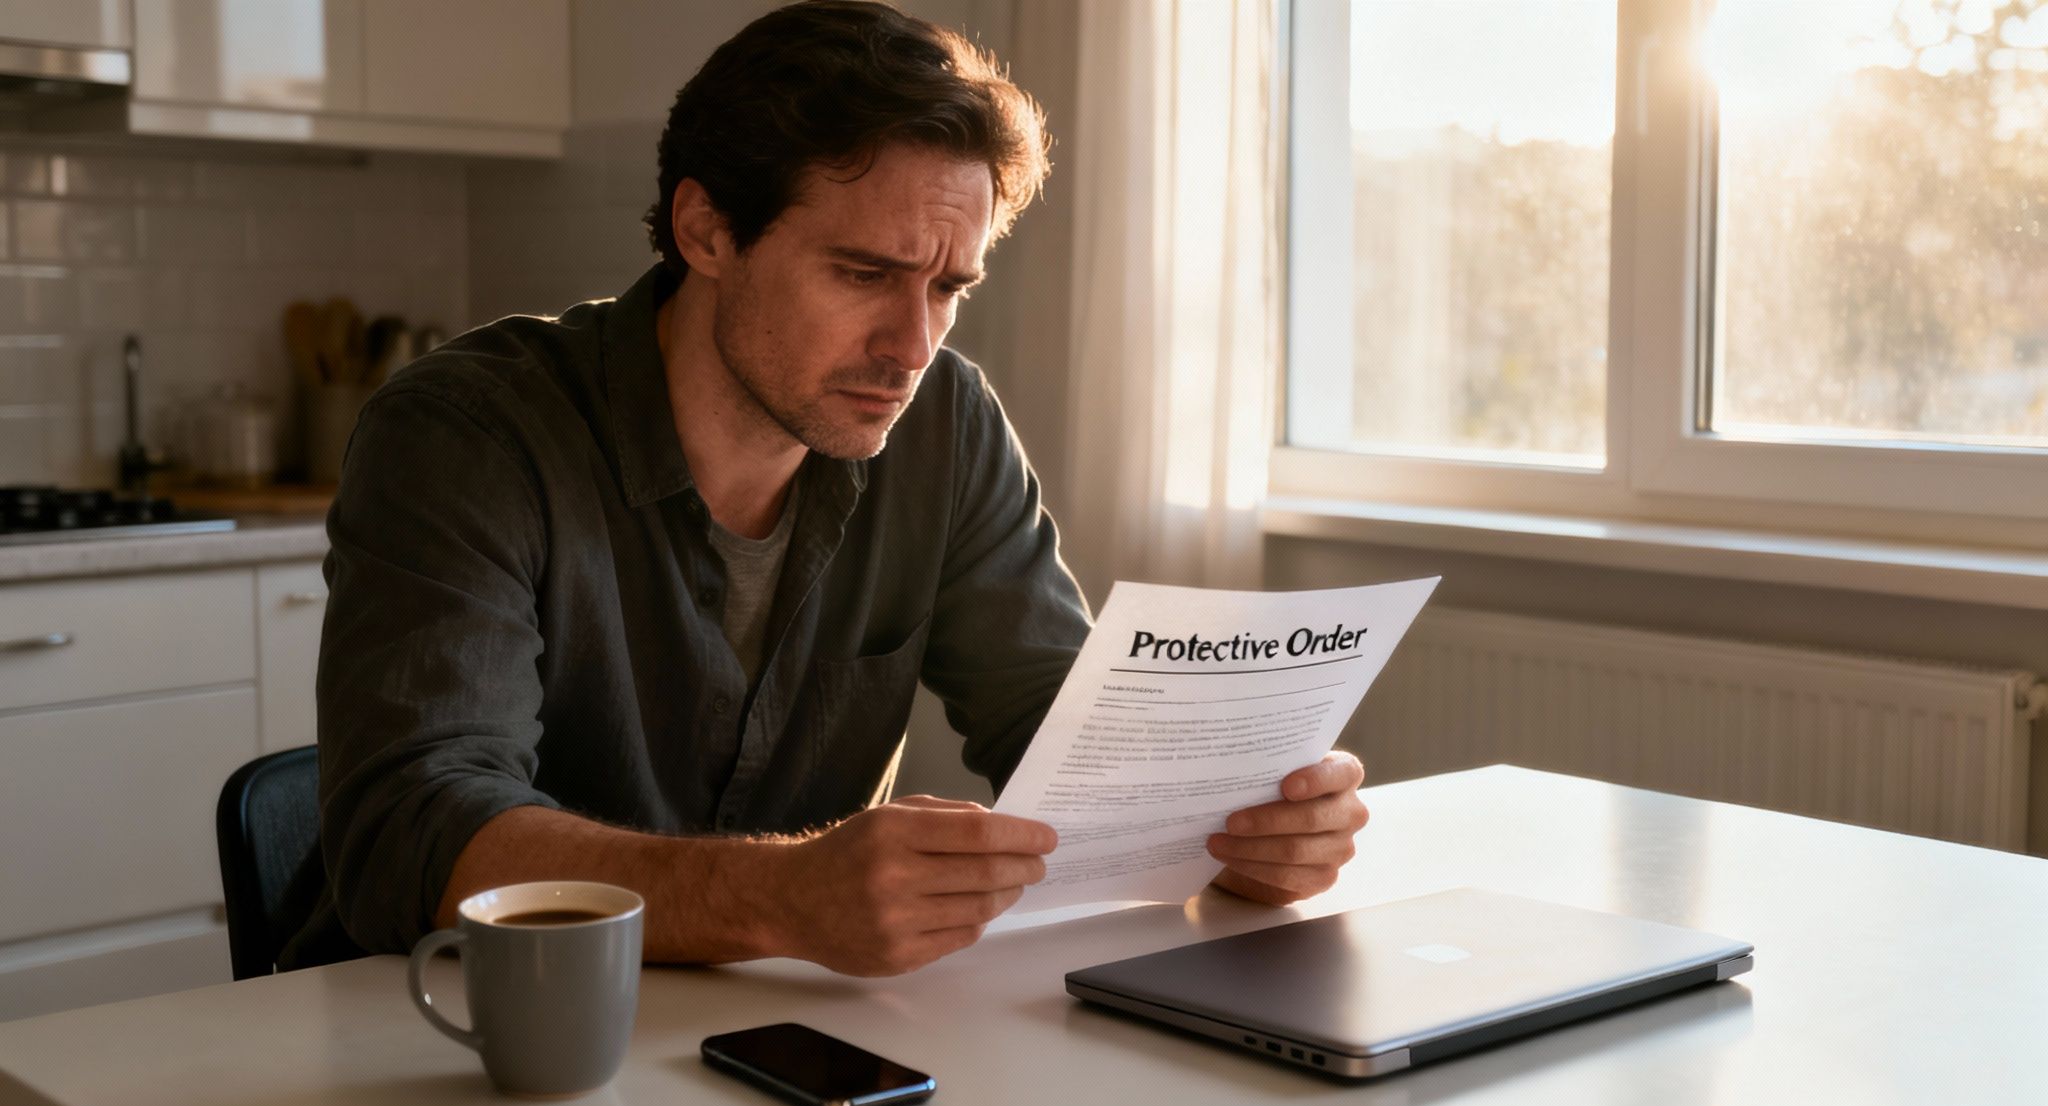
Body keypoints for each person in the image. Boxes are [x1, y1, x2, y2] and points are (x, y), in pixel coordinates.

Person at [281, 0, 1368, 977]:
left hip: (770, 1035)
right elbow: (411, 828)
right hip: (442, 1032)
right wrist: (781, 897)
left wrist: (1235, 829)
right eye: (863, 276)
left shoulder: (942, 423)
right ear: (706, 230)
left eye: (949, 286)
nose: (911, 345)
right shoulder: (469, 434)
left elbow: (1062, 734)